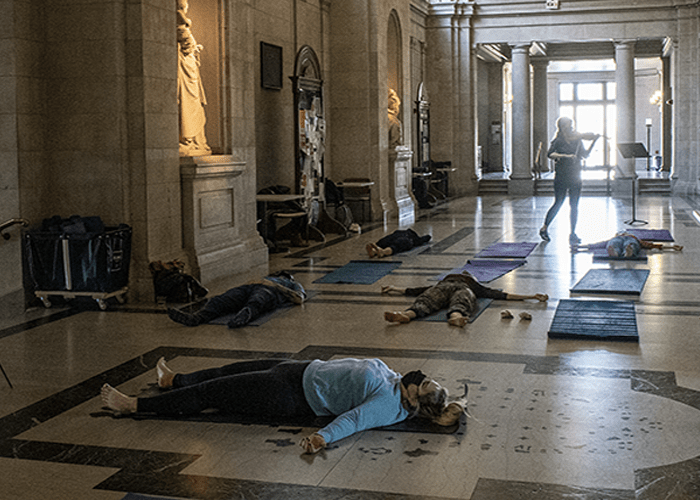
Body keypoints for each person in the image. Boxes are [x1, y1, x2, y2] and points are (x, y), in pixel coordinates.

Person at [100, 357, 467, 454]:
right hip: (298, 371)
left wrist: (322, 438)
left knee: (213, 394)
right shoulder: (396, 382)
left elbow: (354, 420)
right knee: (229, 372)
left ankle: (136, 406)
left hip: (290, 395)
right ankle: (173, 381)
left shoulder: (388, 406)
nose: (421, 377)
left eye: (424, 383)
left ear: (416, 398)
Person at [382, 271, 549, 327]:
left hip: (445, 287)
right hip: (461, 289)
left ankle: (407, 314)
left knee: (427, 300)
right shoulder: (472, 285)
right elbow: (501, 295)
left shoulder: (466, 282)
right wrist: (395, 289)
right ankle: (455, 318)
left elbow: (419, 291)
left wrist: (531, 296)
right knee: (459, 302)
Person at [167, 271, 306, 328]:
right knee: (219, 300)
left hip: (271, 290)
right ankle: (196, 318)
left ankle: (244, 316)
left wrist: (275, 285)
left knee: (258, 300)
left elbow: (299, 298)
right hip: (247, 287)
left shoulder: (292, 284)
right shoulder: (266, 277)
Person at [539, 116, 600, 245]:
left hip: (575, 175)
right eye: (568, 125)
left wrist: (594, 142)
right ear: (562, 127)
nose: (571, 127)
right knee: (558, 202)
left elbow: (585, 155)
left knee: (574, 205)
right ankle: (544, 228)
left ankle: (573, 233)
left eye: (572, 125)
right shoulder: (558, 140)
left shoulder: (577, 140)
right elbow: (550, 154)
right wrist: (565, 156)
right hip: (562, 174)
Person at [178, 0, 211, 157]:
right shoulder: (179, 21)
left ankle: (195, 141)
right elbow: (185, 42)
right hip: (185, 71)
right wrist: (191, 46)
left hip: (190, 70)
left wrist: (194, 48)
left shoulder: (182, 23)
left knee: (194, 106)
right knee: (187, 105)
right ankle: (189, 140)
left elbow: (187, 43)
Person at [574, 231, 683, 258]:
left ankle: (627, 251)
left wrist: (672, 247)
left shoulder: (634, 237)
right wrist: (579, 247)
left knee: (631, 244)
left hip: (630, 240)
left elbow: (651, 245)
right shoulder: (616, 237)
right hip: (619, 240)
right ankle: (617, 251)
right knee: (613, 243)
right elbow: (595, 245)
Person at [366, 229, 431, 258]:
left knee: (383, 242)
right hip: (407, 239)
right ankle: (383, 252)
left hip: (395, 235)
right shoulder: (415, 238)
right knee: (395, 246)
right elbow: (426, 238)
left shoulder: (399, 232)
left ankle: (374, 251)